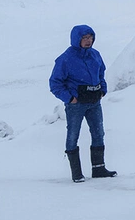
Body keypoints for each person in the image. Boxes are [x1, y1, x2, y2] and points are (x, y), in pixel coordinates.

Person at [49, 24, 117, 183]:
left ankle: (99, 168)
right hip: (76, 105)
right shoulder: (65, 58)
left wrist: (102, 90)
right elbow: (55, 83)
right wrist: (70, 98)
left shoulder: (95, 55)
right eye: (84, 38)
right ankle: (77, 173)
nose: (88, 41)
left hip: (94, 101)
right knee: (73, 135)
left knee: (99, 133)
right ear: (76, 39)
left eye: (90, 37)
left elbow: (101, 74)